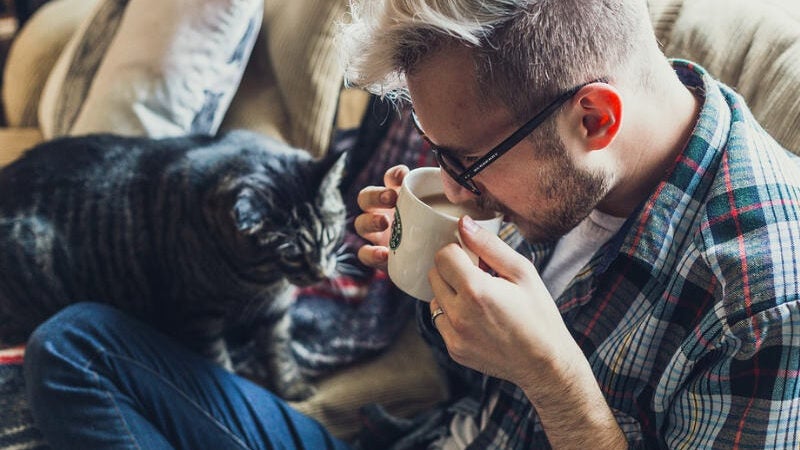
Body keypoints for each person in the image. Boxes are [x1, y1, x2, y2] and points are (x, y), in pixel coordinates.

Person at [21, 0, 800, 449]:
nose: (453, 184)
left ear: (594, 118)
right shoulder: (561, 169)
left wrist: (556, 383)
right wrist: (428, 282)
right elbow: (471, 386)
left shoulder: (768, 298)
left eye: (465, 159)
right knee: (75, 344)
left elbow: (547, 387)